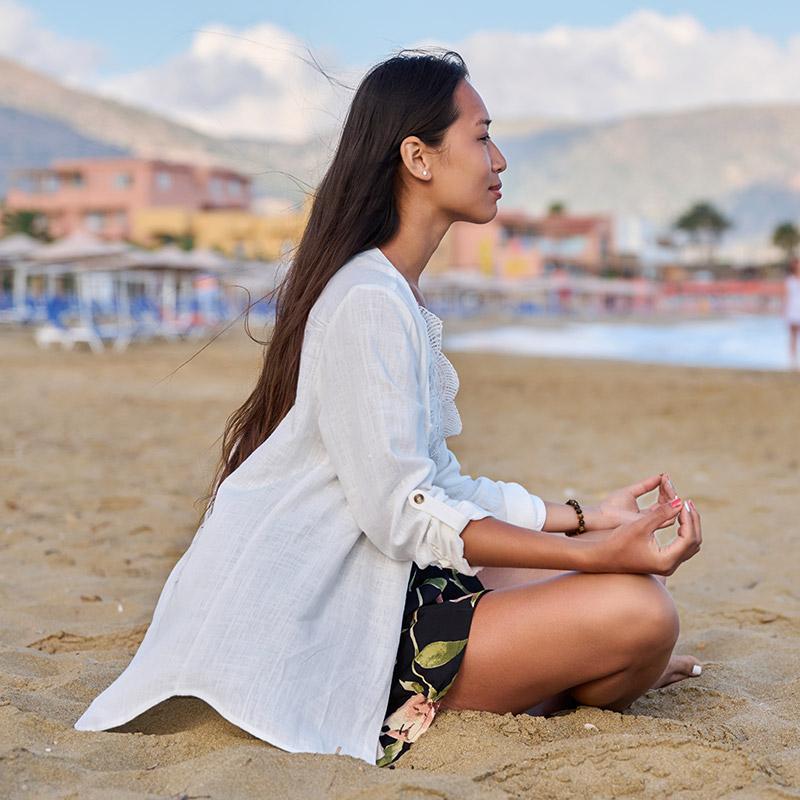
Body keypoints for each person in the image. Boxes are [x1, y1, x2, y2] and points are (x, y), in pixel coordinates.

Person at [73, 49, 703, 769]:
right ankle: (537, 679)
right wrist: (582, 554)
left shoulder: (390, 293)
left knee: (632, 589)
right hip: (334, 620)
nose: (499, 158)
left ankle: (563, 668)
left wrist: (586, 519)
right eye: (481, 135)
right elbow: (404, 513)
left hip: (386, 580)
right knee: (640, 612)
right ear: (419, 158)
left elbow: (436, 484)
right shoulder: (369, 300)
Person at [784, 256, 800, 370]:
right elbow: (786, 296)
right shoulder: (789, 280)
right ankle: (792, 361)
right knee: (793, 336)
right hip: (793, 311)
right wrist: (784, 311)